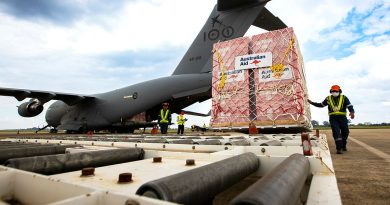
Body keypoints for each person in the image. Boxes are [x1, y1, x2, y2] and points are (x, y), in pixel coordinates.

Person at [308, 85, 355, 154]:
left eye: (336, 91)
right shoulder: (328, 98)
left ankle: (343, 145)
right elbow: (321, 105)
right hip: (333, 118)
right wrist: (312, 103)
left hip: (343, 118)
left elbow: (349, 106)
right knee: (336, 132)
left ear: (339, 91)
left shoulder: (344, 98)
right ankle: (339, 148)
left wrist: (352, 112)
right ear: (331, 91)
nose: (334, 92)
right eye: (333, 91)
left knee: (345, 132)